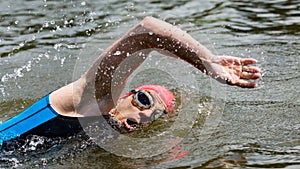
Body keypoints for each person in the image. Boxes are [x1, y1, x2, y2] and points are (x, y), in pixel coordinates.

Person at [0, 16, 261, 145]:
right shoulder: (92, 102)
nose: (145, 116)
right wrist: (207, 61)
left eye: (156, 117)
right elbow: (148, 30)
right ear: (125, 96)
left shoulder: (103, 138)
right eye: (144, 101)